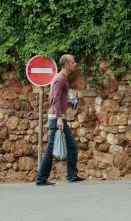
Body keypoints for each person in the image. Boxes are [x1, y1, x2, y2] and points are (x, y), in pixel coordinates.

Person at [35, 54, 85, 186]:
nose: (75, 64)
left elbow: (58, 99)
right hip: (56, 118)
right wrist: (58, 119)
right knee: (53, 148)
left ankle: (71, 175)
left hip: (59, 117)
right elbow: (54, 99)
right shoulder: (60, 79)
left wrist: (69, 103)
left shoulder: (63, 78)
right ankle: (41, 178)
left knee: (71, 146)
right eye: (73, 62)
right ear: (66, 65)